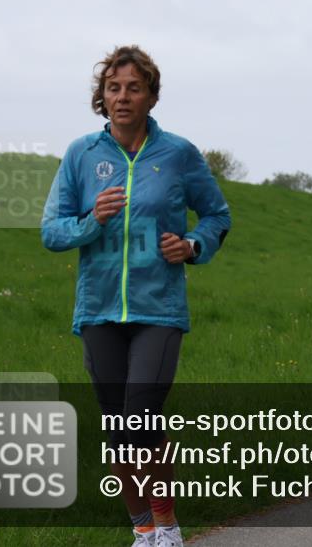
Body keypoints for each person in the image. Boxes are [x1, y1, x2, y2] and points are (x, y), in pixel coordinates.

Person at [41, 46, 231, 547]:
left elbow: (217, 215)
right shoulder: (82, 154)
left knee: (141, 414)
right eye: (113, 88)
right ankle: (143, 529)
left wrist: (192, 246)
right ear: (102, 98)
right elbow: (52, 231)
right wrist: (92, 221)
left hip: (159, 308)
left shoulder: (179, 154)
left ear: (151, 96)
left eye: (133, 88)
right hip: (99, 309)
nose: (123, 96)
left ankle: (168, 524)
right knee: (117, 426)